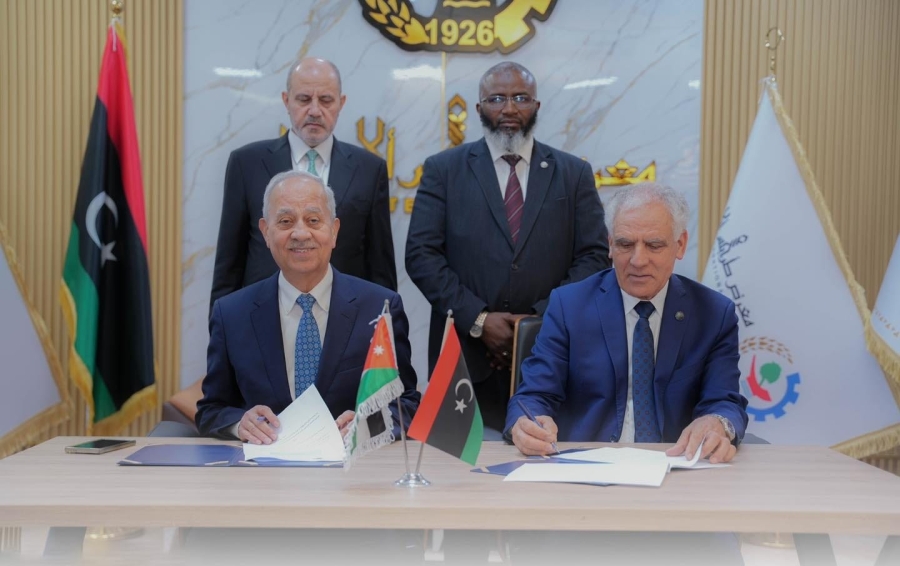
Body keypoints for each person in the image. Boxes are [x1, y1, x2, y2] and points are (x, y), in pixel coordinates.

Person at [405, 62, 609, 433]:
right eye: (497, 99)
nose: (509, 108)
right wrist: (480, 320)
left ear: (537, 106)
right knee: (458, 464)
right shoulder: (443, 170)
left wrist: (536, 322)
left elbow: (594, 256)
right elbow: (421, 255)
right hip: (464, 360)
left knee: (543, 456)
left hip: (551, 354)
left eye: (521, 98)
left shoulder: (573, 173)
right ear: (479, 107)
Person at [507, 183, 748, 463]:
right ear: (610, 244)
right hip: (586, 466)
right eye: (625, 244)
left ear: (680, 244)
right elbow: (533, 396)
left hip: (676, 464)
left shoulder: (713, 314)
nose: (638, 260)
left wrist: (718, 422)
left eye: (654, 245)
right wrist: (527, 424)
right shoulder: (569, 306)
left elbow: (725, 401)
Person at [197, 170, 419, 441]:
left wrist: (368, 426)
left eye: (313, 220)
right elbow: (211, 410)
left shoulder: (379, 308)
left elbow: (407, 404)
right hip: (264, 465)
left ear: (334, 231)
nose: (301, 233)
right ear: (266, 232)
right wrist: (239, 424)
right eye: (286, 221)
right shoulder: (231, 314)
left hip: (352, 465)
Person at [210, 57, 397, 315]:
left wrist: (385, 325)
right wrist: (220, 327)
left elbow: (380, 268)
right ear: (286, 100)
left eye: (326, 100)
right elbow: (229, 264)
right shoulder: (247, 164)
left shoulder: (369, 169)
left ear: (341, 103)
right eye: (304, 99)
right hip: (262, 318)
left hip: (345, 321)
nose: (315, 110)